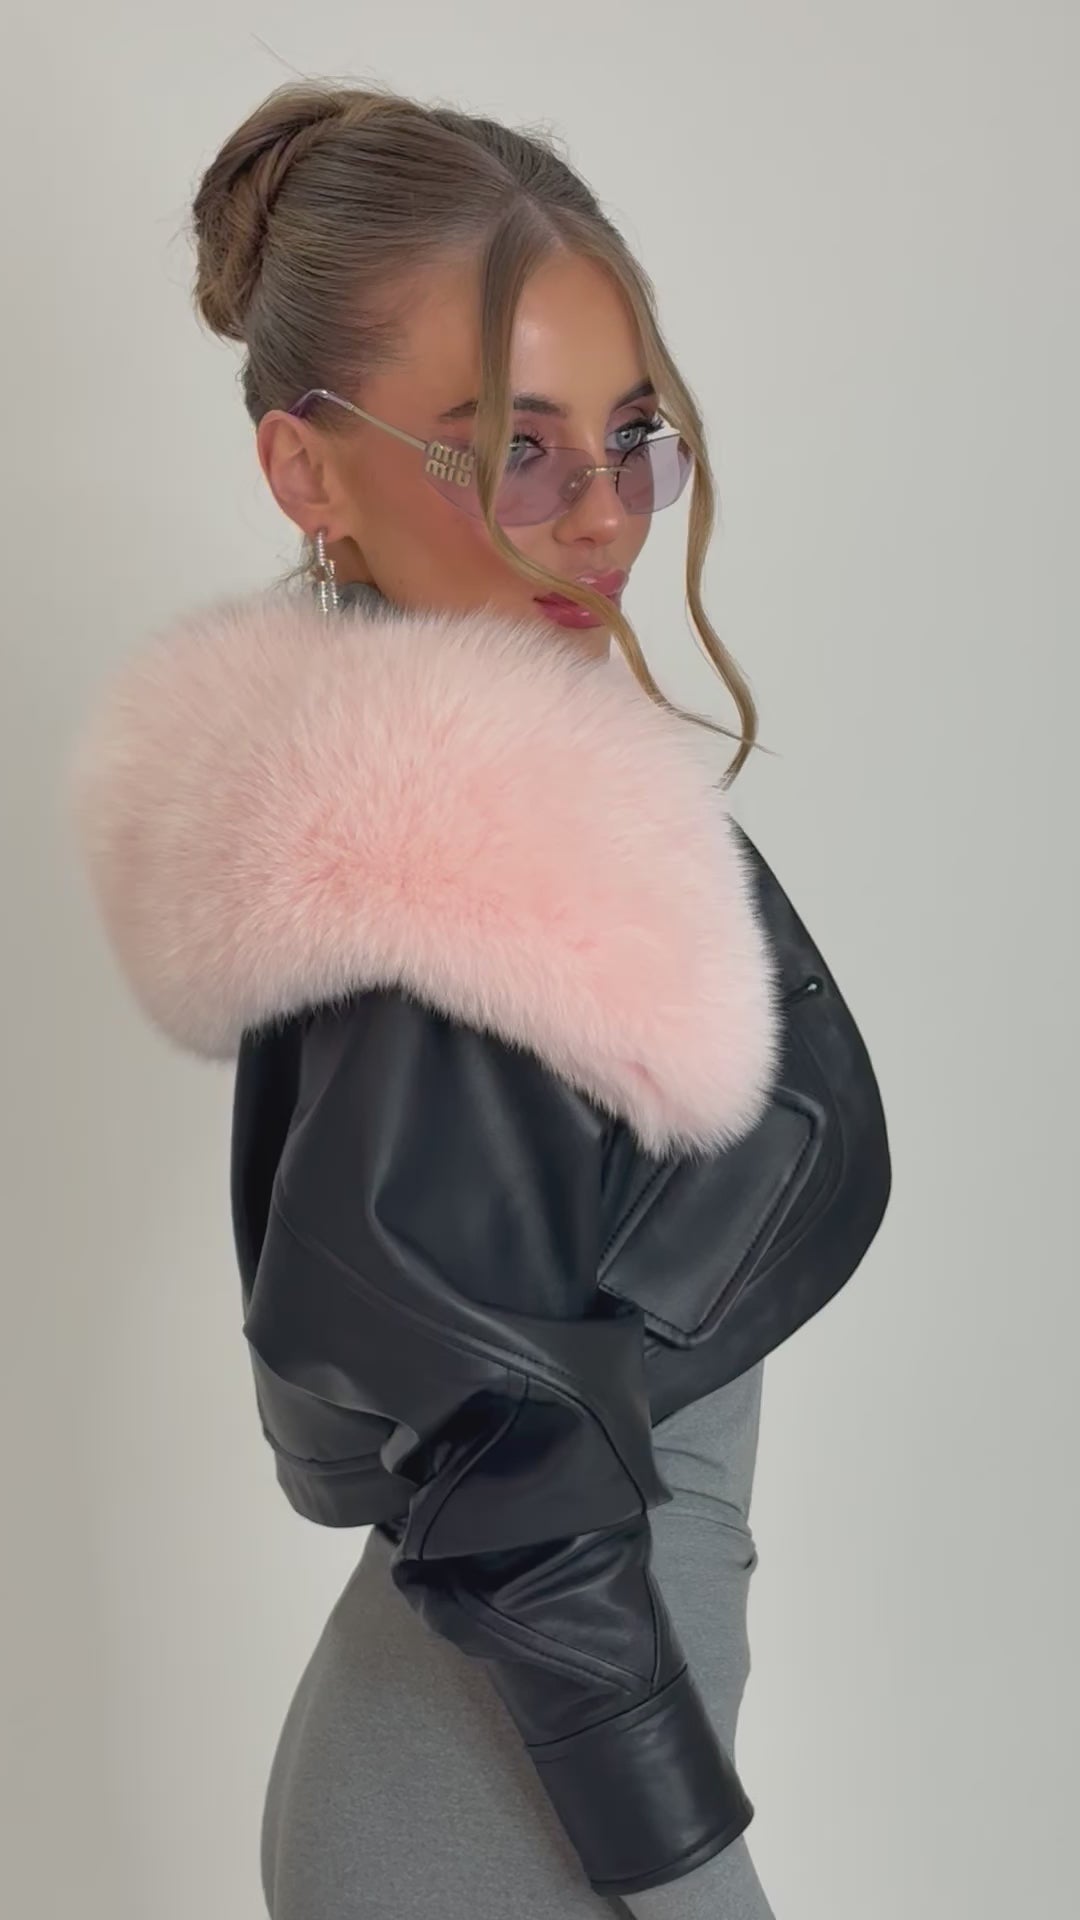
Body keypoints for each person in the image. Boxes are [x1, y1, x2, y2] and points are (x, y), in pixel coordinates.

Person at [67, 82, 891, 1920]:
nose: (602, 517)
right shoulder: (448, 877)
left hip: (510, 1792)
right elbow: (516, 1502)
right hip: (507, 1832)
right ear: (308, 474)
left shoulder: (454, 824)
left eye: (633, 436)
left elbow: (419, 1403)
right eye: (514, 449)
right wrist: (704, 1892)